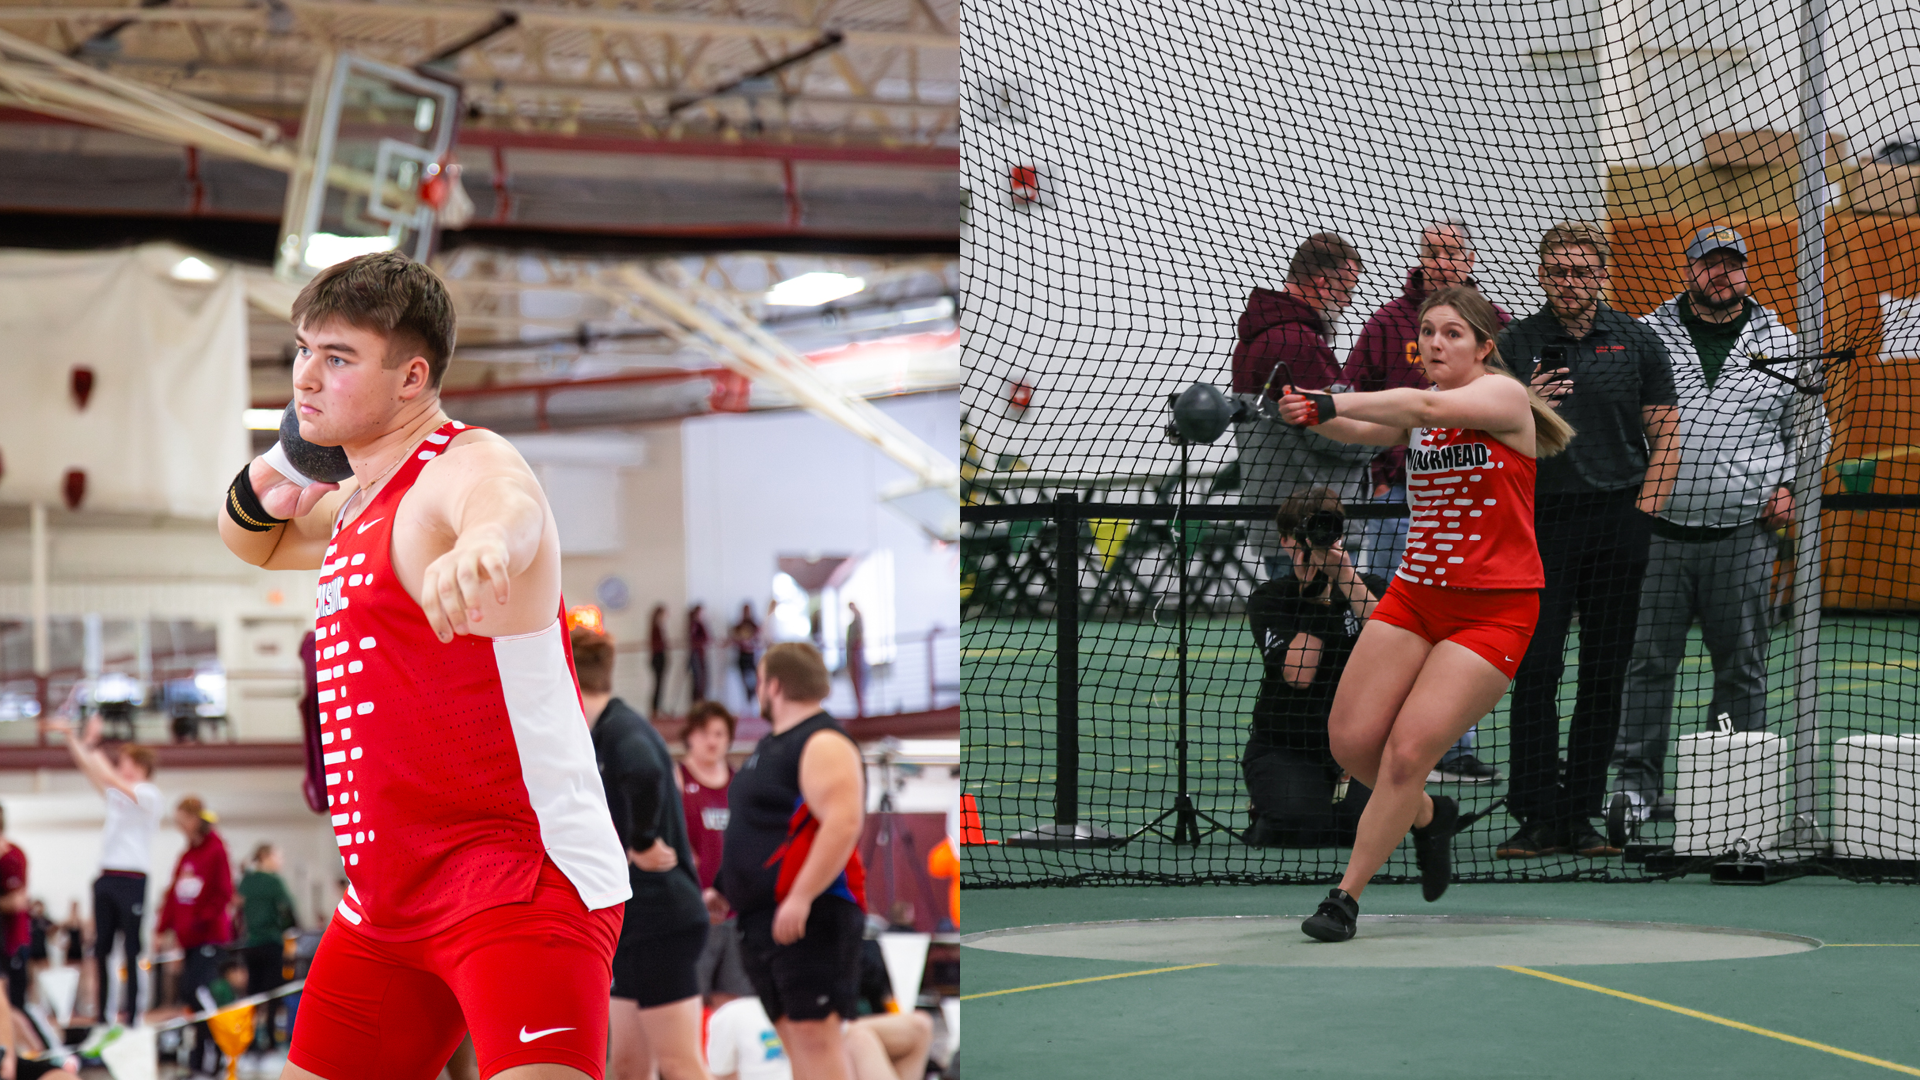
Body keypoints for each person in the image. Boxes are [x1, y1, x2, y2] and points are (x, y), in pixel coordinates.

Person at [214, 249, 629, 1080]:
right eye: (303, 349)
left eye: (337, 358)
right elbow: (247, 539)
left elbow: (502, 501)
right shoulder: (355, 503)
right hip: (384, 908)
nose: (306, 377)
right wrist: (286, 463)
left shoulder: (458, 464)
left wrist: (481, 549)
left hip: (515, 885)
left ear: (411, 377)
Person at [1275, 285, 1575, 941]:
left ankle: (1344, 898)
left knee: (1408, 752)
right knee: (1351, 743)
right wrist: (1305, 410)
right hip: (1417, 597)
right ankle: (1428, 816)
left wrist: (1330, 395)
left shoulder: (1501, 397)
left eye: (1452, 334)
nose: (1437, 343)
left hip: (1494, 612)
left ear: (1483, 347)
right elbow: (1357, 428)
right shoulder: (1422, 412)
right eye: (1429, 333)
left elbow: (1419, 403)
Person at [1613, 226, 1828, 822]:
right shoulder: (1644, 339)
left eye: (1733, 265)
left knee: (1742, 666)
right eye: (1710, 264)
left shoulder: (1782, 343)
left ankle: (1731, 787)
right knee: (1647, 663)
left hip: (1743, 537)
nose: (1722, 275)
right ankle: (1637, 787)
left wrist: (1789, 487)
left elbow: (1812, 431)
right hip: (1656, 536)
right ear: (1690, 270)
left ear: (1747, 272)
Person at [1497, 221, 1680, 859]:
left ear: (1602, 275)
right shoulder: (1516, 342)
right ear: (1542, 274)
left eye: (1580, 272)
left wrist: (1645, 513)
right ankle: (1536, 815)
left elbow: (1666, 434)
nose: (1568, 283)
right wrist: (1521, 401)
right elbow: (1483, 435)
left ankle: (1579, 818)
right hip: (1538, 524)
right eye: (1556, 272)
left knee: (1604, 674)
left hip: (1618, 523)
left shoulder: (1637, 341)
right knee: (1536, 669)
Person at [1340, 219, 1510, 783]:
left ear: (1469, 258)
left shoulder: (1494, 324)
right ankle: (1390, 738)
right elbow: (1361, 396)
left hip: (1473, 509)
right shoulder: (1388, 322)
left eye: (1451, 251)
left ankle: (1451, 746)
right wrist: (1383, 473)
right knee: (1395, 620)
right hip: (1400, 496)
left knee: (1458, 627)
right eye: (1431, 251)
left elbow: (1451, 406)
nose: (1440, 260)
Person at [717, 643, 867, 1080]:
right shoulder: (770, 746)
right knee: (796, 1047)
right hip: (764, 920)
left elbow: (843, 822)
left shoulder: (821, 741)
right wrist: (723, 889)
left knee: (817, 1043)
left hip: (810, 917)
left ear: (775, 685)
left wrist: (801, 896)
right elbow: (762, 827)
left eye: (761, 681)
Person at [572, 628, 714, 1080]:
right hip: (633, 922)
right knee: (628, 1065)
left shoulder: (621, 730)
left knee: (678, 1062)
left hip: (663, 918)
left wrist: (642, 841)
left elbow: (647, 773)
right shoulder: (600, 732)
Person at [1230, 232, 1380, 576]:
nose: (1348, 302)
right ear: (1324, 283)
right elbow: (1336, 437)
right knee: (1326, 626)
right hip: (1315, 531)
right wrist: (1395, 428)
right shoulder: (1300, 343)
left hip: (1279, 522)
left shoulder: (1257, 338)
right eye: (1347, 290)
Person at [1240, 488, 1382, 847]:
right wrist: (1317, 599)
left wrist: (1344, 576)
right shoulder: (1271, 599)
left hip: (1366, 741)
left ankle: (1320, 805)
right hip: (1290, 740)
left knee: (1369, 830)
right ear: (1285, 541)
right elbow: (1299, 676)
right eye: (1303, 535)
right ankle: (1280, 805)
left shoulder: (1371, 589)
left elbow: (1390, 648)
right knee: (1299, 827)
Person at [48, 718, 160, 1025]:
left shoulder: (149, 794)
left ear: (138, 766)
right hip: (107, 878)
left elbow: (107, 775)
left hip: (133, 878)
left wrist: (94, 744)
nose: (120, 766)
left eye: (124, 762)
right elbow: (90, 769)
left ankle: (134, 1017)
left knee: (133, 951)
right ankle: (105, 1017)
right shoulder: (116, 797)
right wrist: (75, 739)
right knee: (102, 950)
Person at [679, 703, 755, 1008]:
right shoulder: (677, 779)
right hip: (692, 911)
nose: (712, 741)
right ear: (690, 736)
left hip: (734, 911)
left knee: (734, 1001)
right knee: (690, 999)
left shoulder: (740, 785)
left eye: (719, 733)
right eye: (704, 733)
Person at [157, 796, 233, 1076]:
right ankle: (199, 1059)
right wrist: (162, 928)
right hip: (188, 942)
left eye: (182, 822)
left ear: (194, 819)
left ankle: (216, 1052)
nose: (180, 828)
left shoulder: (217, 851)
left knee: (200, 993)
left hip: (209, 938)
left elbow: (223, 893)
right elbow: (173, 896)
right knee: (189, 995)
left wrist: (200, 921)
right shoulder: (186, 856)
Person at [236, 843, 297, 1051]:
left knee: (252, 994)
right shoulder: (274, 881)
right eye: (278, 856)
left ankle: (251, 1042)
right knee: (273, 994)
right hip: (271, 942)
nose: (281, 861)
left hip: (251, 944)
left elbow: (238, 904)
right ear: (265, 856)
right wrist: (288, 928)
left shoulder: (247, 880)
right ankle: (270, 1041)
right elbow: (288, 909)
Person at [0, 807, 28, 1014]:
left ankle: (37, 1046)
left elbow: (17, 901)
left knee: (12, 1008)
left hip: (11, 942)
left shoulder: (12, 856)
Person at [730, 604, 761, 704]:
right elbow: (734, 637)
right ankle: (747, 703)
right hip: (742, 656)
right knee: (744, 682)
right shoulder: (739, 625)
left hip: (751, 656)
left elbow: (758, 638)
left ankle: (752, 702)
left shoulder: (754, 625)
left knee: (752, 681)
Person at [843, 603, 866, 718]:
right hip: (852, 657)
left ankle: (861, 708)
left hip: (856, 657)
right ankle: (859, 708)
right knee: (855, 685)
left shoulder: (858, 621)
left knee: (859, 683)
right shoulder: (852, 625)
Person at [650, 605, 672, 718]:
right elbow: (659, 644)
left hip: (660, 657)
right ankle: (655, 709)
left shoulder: (659, 627)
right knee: (658, 684)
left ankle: (657, 707)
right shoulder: (656, 628)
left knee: (660, 685)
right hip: (658, 658)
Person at [689, 605, 713, 706]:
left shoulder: (699, 624)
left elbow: (708, 637)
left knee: (703, 680)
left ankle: (701, 703)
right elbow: (701, 638)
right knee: (698, 681)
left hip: (701, 655)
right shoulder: (694, 625)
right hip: (696, 655)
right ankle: (697, 704)